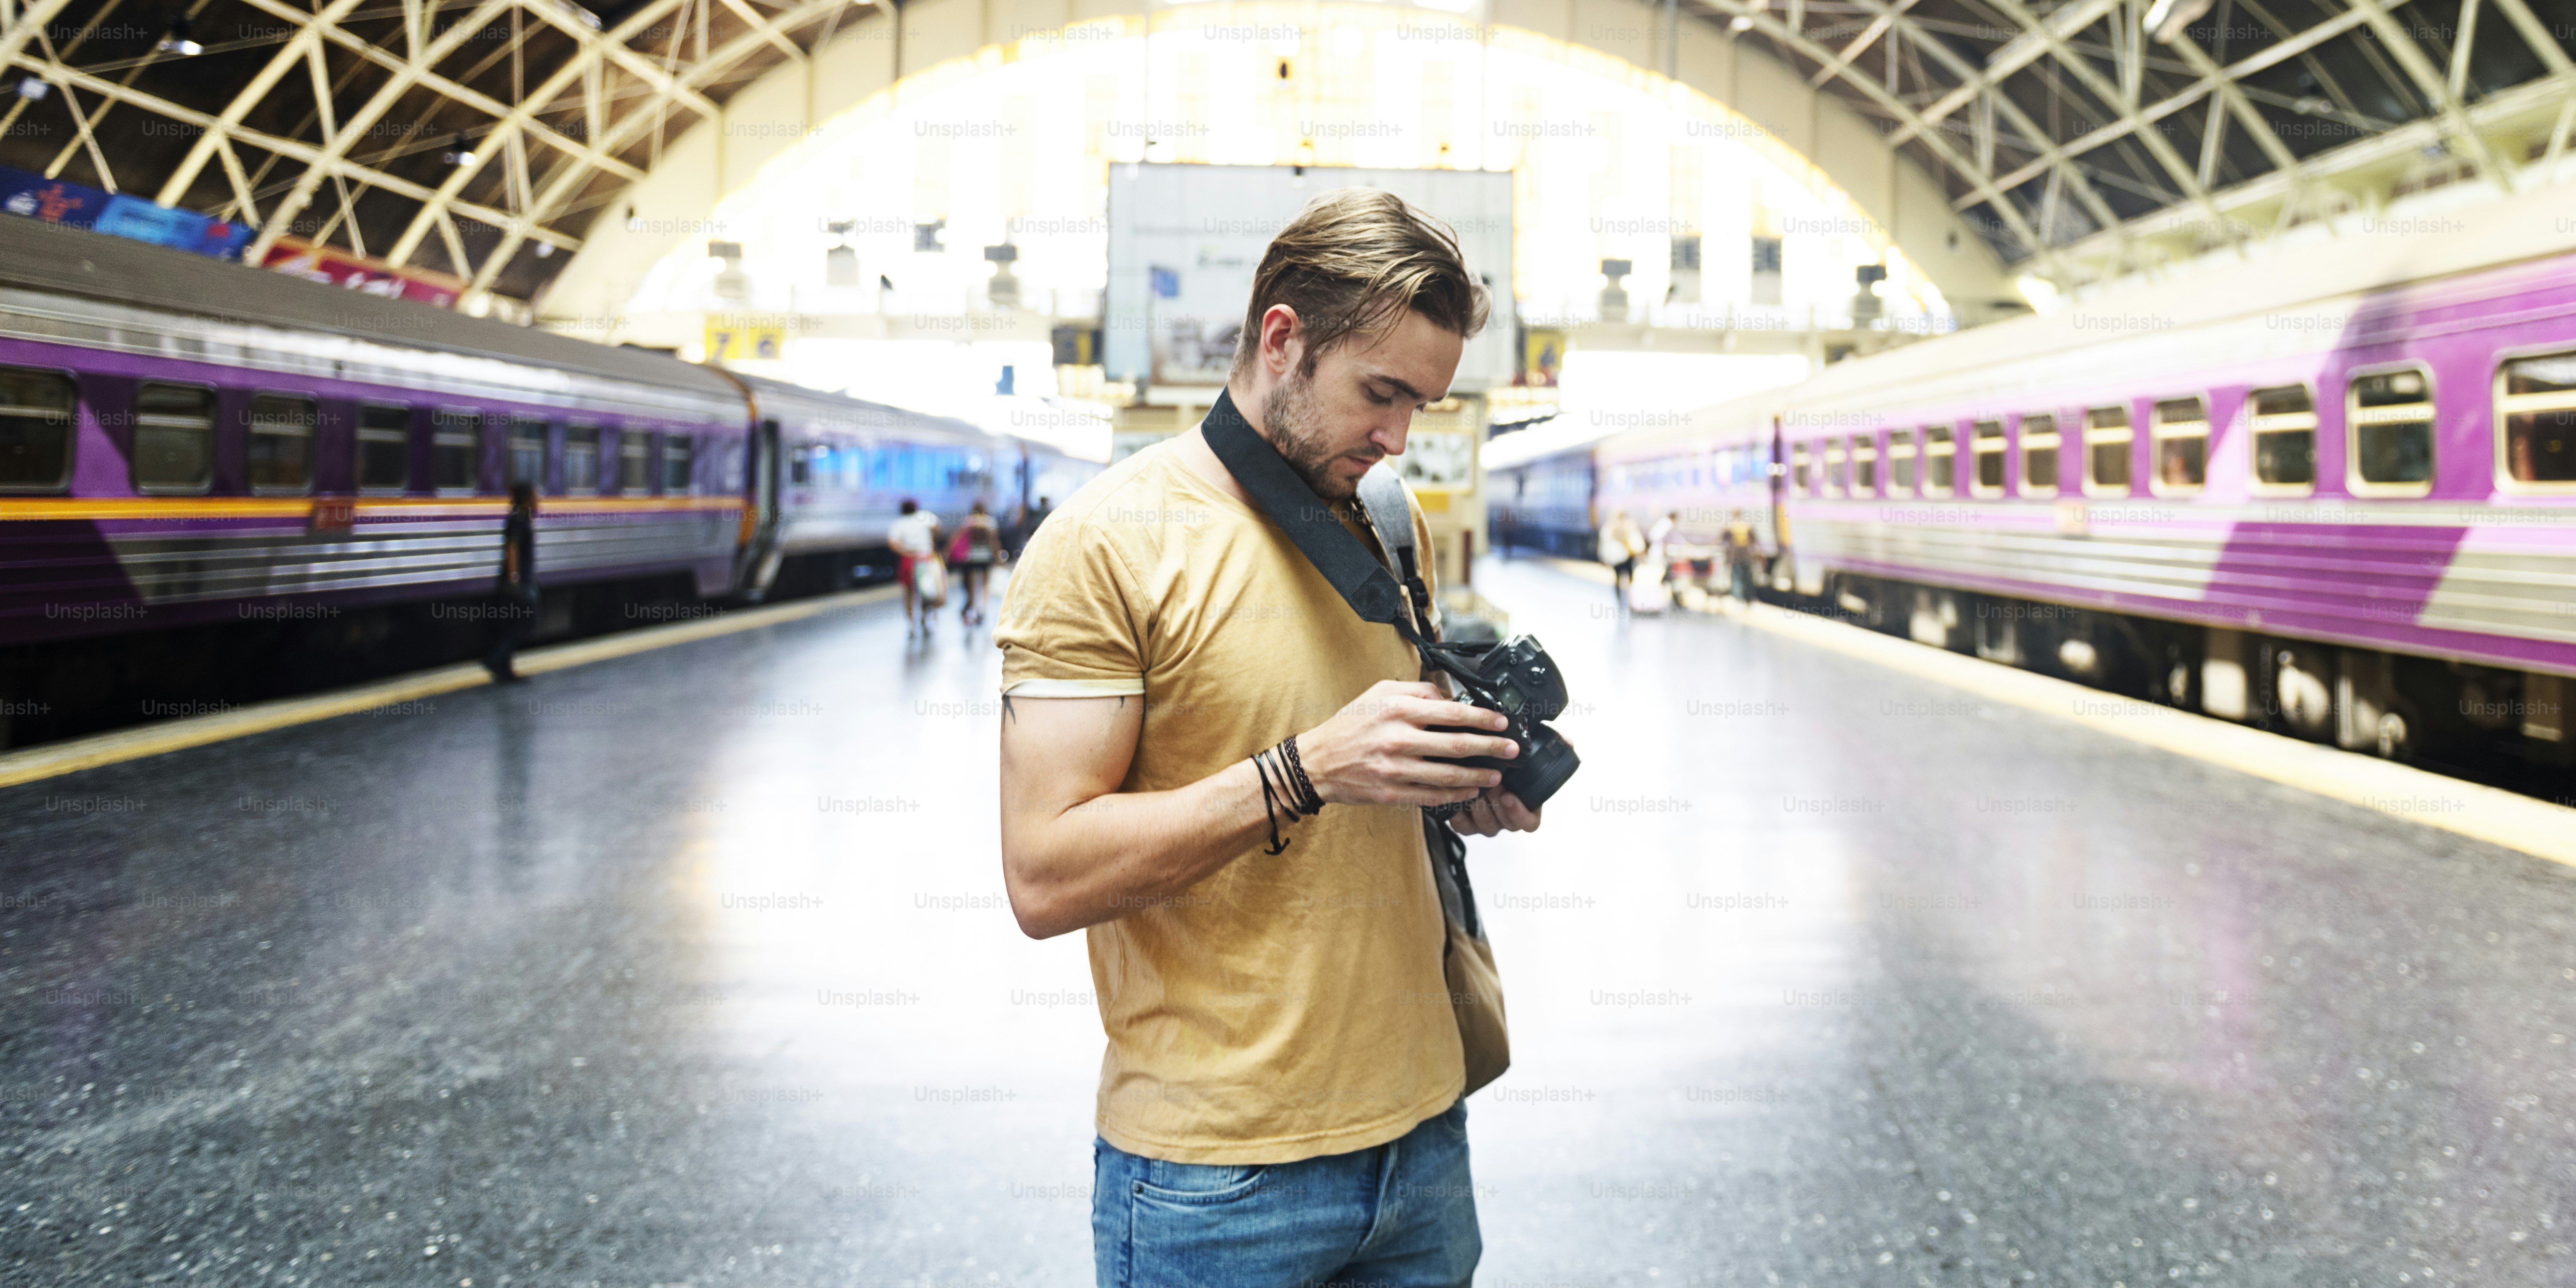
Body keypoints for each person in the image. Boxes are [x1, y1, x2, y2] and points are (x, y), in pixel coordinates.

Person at [995, 187, 1540, 1287]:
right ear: (1282, 340)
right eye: (1378, 393)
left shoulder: (1389, 518)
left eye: (1420, 408)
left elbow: (1371, 780)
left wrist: (1457, 788)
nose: (1396, 439)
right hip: (1216, 1178)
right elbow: (1043, 876)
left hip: (1423, 1138)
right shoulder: (1106, 545)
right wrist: (1305, 770)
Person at [483, 482, 539, 682]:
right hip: (517, 582)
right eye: (534, 496)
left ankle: (505, 669)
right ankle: (495, 659)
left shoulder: (522, 518)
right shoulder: (517, 520)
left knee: (512, 623)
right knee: (527, 621)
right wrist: (515, 579)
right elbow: (512, 549)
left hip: (520, 580)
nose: (538, 500)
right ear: (526, 500)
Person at [888, 498, 942, 636]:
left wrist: (906, 552)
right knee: (926, 591)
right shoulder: (925, 517)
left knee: (909, 594)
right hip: (925, 558)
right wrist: (932, 543)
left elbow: (893, 543)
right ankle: (925, 619)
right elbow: (937, 527)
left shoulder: (899, 523)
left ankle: (911, 625)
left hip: (909, 560)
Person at [951, 499, 1001, 625]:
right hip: (986, 557)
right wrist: (998, 557)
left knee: (972, 586)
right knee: (985, 585)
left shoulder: (969, 522)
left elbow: (958, 539)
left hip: (971, 557)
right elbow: (994, 542)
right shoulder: (990, 522)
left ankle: (972, 609)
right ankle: (982, 610)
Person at [1598, 508, 1644, 604]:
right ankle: (1629, 600)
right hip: (1629, 556)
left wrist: (1603, 557)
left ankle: (1620, 601)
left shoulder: (1609, 527)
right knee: (1631, 579)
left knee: (1618, 579)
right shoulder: (1630, 525)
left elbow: (1604, 544)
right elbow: (1637, 541)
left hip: (1616, 558)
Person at [1723, 508, 1760, 603]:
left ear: (1733, 515)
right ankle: (1749, 598)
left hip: (1735, 557)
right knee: (1748, 578)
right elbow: (1754, 540)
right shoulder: (1748, 525)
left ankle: (1737, 599)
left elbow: (1723, 541)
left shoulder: (1730, 527)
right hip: (1747, 556)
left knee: (1736, 578)